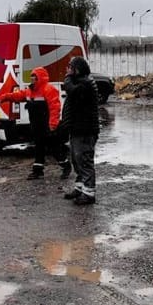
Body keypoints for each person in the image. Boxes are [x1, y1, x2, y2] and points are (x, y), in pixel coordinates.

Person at [0, 67, 70, 180]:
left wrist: (53, 124)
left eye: (34, 77)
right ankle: (38, 170)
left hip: (47, 125)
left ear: (39, 78)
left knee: (54, 147)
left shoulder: (48, 89)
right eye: (31, 77)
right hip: (36, 125)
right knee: (38, 147)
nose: (32, 79)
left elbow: (55, 108)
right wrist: (5, 97)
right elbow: (18, 95)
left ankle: (65, 166)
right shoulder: (30, 90)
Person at [60, 56, 100, 205]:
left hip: (85, 130)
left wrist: (68, 77)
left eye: (71, 67)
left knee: (84, 160)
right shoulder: (82, 82)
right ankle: (80, 188)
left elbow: (72, 90)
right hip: (78, 129)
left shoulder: (86, 84)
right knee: (77, 160)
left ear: (77, 69)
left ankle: (89, 193)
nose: (68, 69)